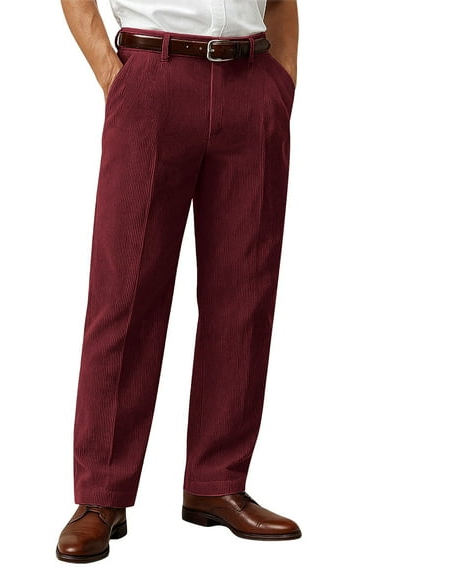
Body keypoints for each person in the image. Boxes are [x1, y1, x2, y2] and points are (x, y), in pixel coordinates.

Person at [56, 0, 301, 563]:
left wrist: (281, 81)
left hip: (251, 80)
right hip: (152, 75)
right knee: (124, 294)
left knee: (245, 292)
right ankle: (100, 495)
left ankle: (218, 481)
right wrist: (114, 77)